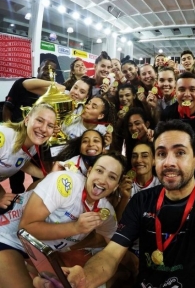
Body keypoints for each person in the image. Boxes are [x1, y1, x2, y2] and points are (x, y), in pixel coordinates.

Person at [33, 119, 195, 288]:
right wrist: (83, 278)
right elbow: (112, 254)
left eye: (180, 153)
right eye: (162, 154)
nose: (169, 162)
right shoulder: (142, 200)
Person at [0, 151, 126, 287]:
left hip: (37, 253)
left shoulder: (105, 212)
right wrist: (75, 228)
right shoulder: (66, 182)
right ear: (89, 171)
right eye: (99, 171)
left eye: (112, 177)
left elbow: (115, 247)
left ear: (116, 186)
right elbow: (25, 228)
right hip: (7, 237)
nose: (102, 180)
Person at [2, 59, 58, 194]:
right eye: (46, 68)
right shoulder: (23, 84)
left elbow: (23, 163)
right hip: (16, 134)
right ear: (38, 69)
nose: (49, 72)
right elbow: (7, 108)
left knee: (18, 165)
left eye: (53, 70)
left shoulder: (52, 95)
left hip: (30, 142)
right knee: (16, 180)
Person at [0, 102, 57, 211]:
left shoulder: (32, 144)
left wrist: (49, 177)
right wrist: (1, 194)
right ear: (27, 120)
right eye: (39, 120)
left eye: (50, 125)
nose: (44, 129)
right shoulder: (4, 137)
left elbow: (20, 161)